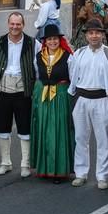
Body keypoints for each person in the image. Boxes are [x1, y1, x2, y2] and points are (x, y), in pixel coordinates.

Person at [0, 12, 41, 177]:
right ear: (8, 24)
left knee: (25, 128)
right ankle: (5, 163)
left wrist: (40, 85)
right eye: (12, 24)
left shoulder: (33, 43)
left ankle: (25, 165)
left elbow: (40, 65)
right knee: (1, 127)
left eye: (18, 24)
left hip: (24, 89)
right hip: (4, 87)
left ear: (23, 25)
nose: (15, 27)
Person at [68, 19, 108, 189]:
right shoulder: (79, 54)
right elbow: (72, 76)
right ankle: (81, 173)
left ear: (102, 35)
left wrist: (107, 96)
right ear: (86, 35)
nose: (94, 36)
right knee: (80, 138)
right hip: (81, 99)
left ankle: (102, 176)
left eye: (97, 32)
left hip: (101, 100)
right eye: (90, 33)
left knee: (103, 138)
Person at [30, 24, 74, 183]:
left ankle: (59, 170)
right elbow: (36, 76)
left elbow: (73, 78)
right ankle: (45, 169)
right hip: (43, 97)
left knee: (58, 131)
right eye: (49, 39)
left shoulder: (68, 56)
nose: (53, 42)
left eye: (55, 39)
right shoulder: (38, 56)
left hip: (61, 96)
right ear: (45, 41)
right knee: (44, 130)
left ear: (59, 40)